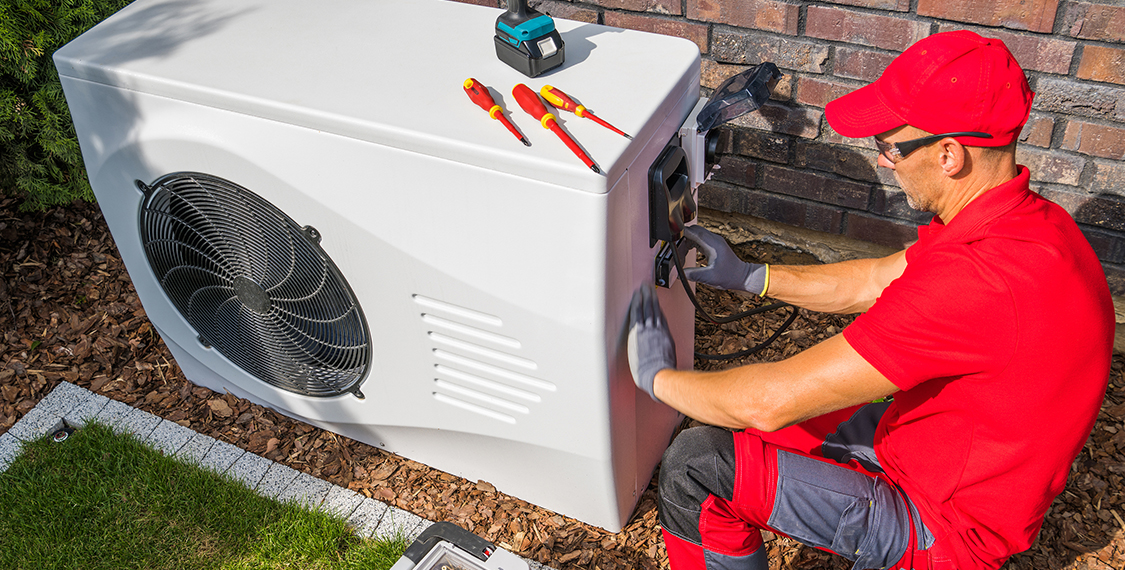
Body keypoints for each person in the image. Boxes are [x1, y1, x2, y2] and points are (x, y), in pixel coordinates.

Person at [626, 30, 1114, 570]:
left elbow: (768, 403)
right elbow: (876, 280)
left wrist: (656, 380)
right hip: (939, 453)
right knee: (760, 432)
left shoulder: (976, 280)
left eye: (890, 146)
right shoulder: (1028, 224)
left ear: (949, 153)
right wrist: (751, 275)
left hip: (943, 529)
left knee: (697, 466)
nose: (884, 162)